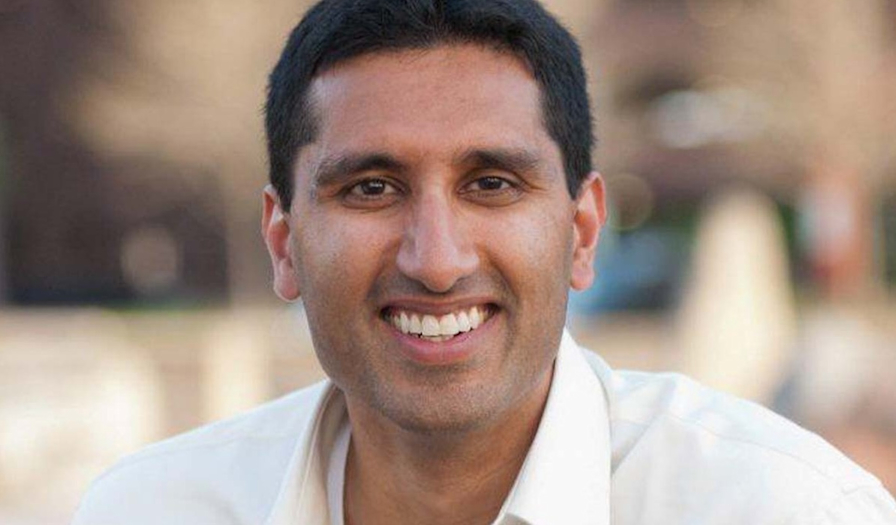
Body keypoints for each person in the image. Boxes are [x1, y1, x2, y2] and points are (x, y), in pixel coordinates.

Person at [73, 0, 896, 524]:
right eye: (370, 187)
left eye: (493, 183)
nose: (436, 260)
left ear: (581, 231)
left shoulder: (780, 509)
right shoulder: (148, 509)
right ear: (283, 241)